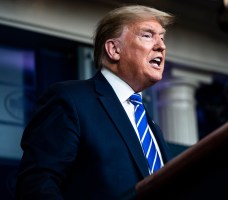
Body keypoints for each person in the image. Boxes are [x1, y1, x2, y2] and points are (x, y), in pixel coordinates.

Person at [15, 4, 174, 200]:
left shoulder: (151, 126)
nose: (161, 45)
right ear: (114, 49)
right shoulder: (70, 100)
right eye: (148, 35)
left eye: (162, 37)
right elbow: (37, 184)